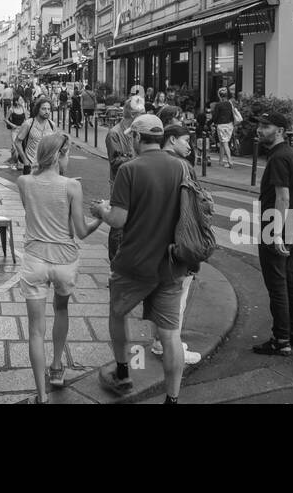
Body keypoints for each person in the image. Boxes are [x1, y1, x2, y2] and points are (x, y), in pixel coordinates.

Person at [91, 114, 191, 403]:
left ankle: (123, 374)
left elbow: (119, 219)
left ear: (136, 138)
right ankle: (172, 399)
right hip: (172, 263)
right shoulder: (182, 167)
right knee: (171, 335)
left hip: (134, 262)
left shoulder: (130, 169)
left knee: (118, 312)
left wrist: (100, 211)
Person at [18, 133, 103, 403]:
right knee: (61, 308)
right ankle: (56, 367)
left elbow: (33, 211)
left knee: (35, 330)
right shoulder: (72, 187)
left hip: (34, 261)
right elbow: (81, 231)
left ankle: (41, 396)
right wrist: (100, 217)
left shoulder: (24, 182)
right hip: (65, 260)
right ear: (61, 155)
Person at [252, 112, 293, 356]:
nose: (260, 130)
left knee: (277, 283)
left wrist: (274, 232)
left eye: (266, 126)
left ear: (281, 131)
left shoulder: (278, 158)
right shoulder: (292, 154)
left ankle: (281, 339)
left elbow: (282, 196)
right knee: (290, 279)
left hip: (276, 223)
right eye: (260, 125)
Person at [150, 124, 204, 365]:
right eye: (185, 141)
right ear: (171, 140)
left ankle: (159, 342)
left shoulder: (151, 162)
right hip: (177, 240)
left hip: (155, 240)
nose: (189, 146)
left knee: (159, 295)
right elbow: (193, 207)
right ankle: (170, 348)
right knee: (177, 299)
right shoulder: (183, 167)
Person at [103, 96, 143, 262]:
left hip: (139, 185)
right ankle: (115, 263)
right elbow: (116, 163)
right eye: (142, 113)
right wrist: (140, 161)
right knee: (118, 226)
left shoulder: (139, 132)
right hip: (120, 185)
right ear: (133, 115)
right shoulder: (114, 134)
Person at [15, 99, 57, 175]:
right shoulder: (28, 124)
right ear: (37, 109)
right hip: (31, 166)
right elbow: (17, 142)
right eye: (43, 109)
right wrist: (25, 161)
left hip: (47, 167)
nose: (47, 111)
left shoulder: (52, 125)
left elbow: (54, 145)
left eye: (48, 109)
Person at [211, 88, 239, 168]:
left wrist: (213, 123)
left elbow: (215, 116)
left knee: (225, 143)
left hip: (222, 125)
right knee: (223, 143)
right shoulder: (229, 104)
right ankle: (220, 160)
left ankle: (230, 161)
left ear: (219, 96)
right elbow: (231, 115)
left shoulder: (218, 105)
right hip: (229, 125)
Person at [4, 96, 28, 168]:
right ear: (16, 101)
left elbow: (27, 120)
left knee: (22, 146)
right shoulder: (12, 109)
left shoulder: (24, 109)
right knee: (15, 146)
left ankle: (19, 162)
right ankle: (14, 160)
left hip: (22, 130)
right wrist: (12, 125)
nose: (22, 100)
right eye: (20, 99)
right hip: (14, 130)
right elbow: (5, 119)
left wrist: (25, 125)